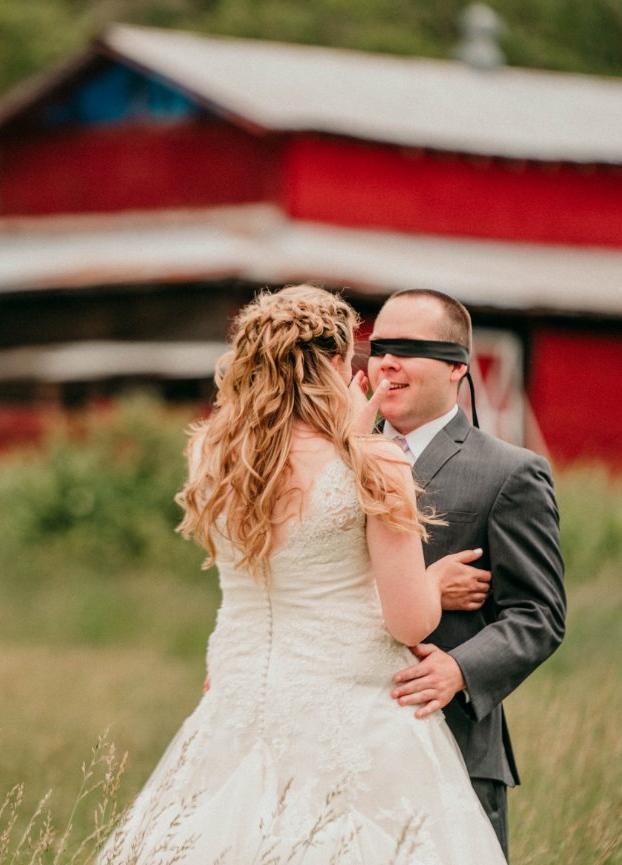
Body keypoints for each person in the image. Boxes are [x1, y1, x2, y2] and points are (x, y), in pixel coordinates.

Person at [99, 286, 506, 865]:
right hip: (352, 711)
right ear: (336, 365)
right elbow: (408, 619)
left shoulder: (214, 457)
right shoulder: (377, 461)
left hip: (236, 704)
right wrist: (433, 582)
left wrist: (352, 434)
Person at [363, 289, 566, 859]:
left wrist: (460, 668)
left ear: (458, 366)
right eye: (379, 347)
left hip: (452, 740)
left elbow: (539, 614)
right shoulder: (335, 460)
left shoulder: (509, 474)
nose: (387, 362)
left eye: (409, 348)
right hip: (343, 739)